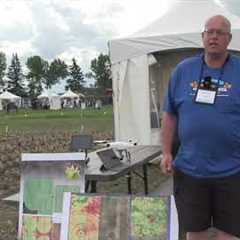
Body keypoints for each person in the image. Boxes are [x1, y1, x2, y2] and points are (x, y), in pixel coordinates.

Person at [161, 15, 240, 240]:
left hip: (233, 170)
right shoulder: (183, 70)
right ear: (203, 37)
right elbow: (170, 114)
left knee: (230, 233)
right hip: (190, 170)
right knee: (195, 232)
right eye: (210, 31)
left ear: (229, 39)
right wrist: (166, 152)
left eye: (220, 32)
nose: (214, 36)